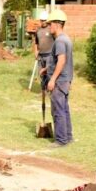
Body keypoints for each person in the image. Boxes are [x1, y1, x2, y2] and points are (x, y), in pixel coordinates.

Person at [44, 9, 73, 147]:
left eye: (50, 24)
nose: (49, 27)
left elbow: (61, 61)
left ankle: (61, 140)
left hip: (59, 81)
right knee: (64, 109)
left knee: (58, 110)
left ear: (57, 24)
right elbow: (59, 61)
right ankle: (68, 137)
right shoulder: (66, 39)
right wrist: (47, 69)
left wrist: (52, 79)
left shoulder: (60, 41)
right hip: (65, 80)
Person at [33, 11, 55, 90]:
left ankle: (50, 90)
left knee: (49, 73)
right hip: (41, 56)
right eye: (42, 20)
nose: (43, 22)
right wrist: (35, 51)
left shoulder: (51, 29)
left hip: (49, 55)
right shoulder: (38, 31)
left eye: (44, 20)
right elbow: (36, 42)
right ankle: (43, 91)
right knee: (42, 74)